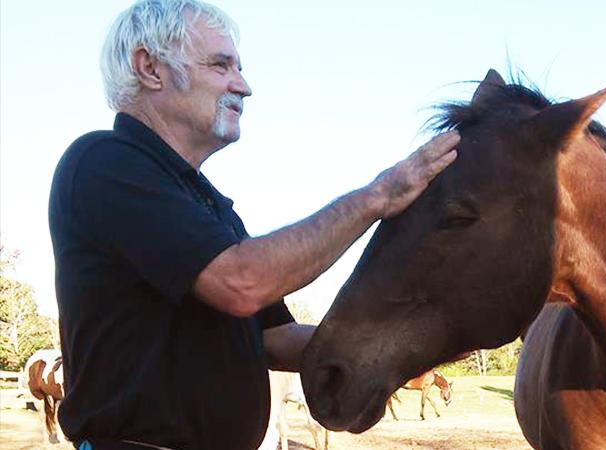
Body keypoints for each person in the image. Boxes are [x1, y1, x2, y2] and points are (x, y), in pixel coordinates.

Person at [48, 1, 459, 449]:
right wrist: (377, 197)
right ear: (150, 68)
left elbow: (276, 339)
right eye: (221, 65)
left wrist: (425, 337)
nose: (244, 87)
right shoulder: (103, 164)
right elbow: (242, 282)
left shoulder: (208, 204)